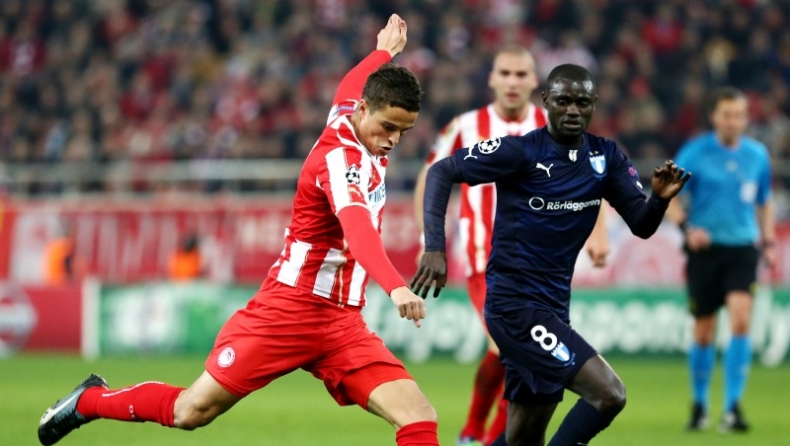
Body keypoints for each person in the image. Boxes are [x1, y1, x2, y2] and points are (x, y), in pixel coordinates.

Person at [38, 15, 440, 446]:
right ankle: (89, 401)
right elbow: (358, 230)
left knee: (418, 416)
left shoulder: (351, 115)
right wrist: (396, 287)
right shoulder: (341, 160)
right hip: (290, 309)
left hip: (343, 322)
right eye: (388, 127)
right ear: (363, 110)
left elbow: (350, 84)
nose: (393, 140)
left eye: (404, 131)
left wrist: (382, 53)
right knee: (191, 411)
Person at [411, 64, 690, 446]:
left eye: (582, 102)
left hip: (554, 308)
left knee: (523, 438)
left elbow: (641, 225)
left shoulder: (606, 157)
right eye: (563, 101)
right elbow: (442, 171)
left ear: (594, 104)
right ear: (546, 101)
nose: (573, 110)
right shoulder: (520, 151)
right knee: (609, 394)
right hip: (514, 308)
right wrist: (434, 247)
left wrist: (658, 200)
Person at [412, 45, 610, 446]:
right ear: (492, 79)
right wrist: (427, 239)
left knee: (521, 361)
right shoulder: (465, 126)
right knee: (507, 348)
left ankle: (481, 435)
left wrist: (599, 231)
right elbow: (431, 176)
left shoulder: (554, 123)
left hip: (539, 266)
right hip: (483, 259)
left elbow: (591, 174)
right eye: (505, 73)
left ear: (535, 82)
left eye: (521, 74)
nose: (513, 82)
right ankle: (476, 432)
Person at [665, 87, 775, 433]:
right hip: (704, 250)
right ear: (714, 117)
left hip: (742, 247)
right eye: (727, 114)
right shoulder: (694, 152)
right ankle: (700, 405)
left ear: (745, 118)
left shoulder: (757, 155)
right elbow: (668, 195)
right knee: (704, 330)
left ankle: (732, 407)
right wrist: (687, 228)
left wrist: (768, 241)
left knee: (741, 320)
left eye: (739, 115)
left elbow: (764, 200)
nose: (733, 121)